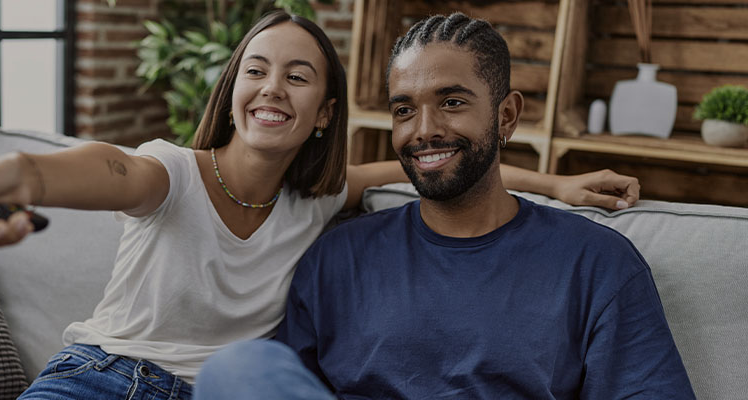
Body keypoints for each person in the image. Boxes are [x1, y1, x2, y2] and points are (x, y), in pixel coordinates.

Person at [0, 12, 641, 400]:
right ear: (233, 91)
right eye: (256, 71)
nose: (272, 88)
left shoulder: (318, 200)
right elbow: (112, 169)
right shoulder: (171, 173)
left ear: (324, 113)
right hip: (104, 380)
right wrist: (20, 172)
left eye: (297, 77)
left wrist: (556, 186)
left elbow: (441, 158)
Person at [193, 13, 693, 399]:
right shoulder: (335, 258)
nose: (424, 129)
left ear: (506, 116)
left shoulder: (597, 264)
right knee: (237, 368)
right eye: (404, 109)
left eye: (452, 102)